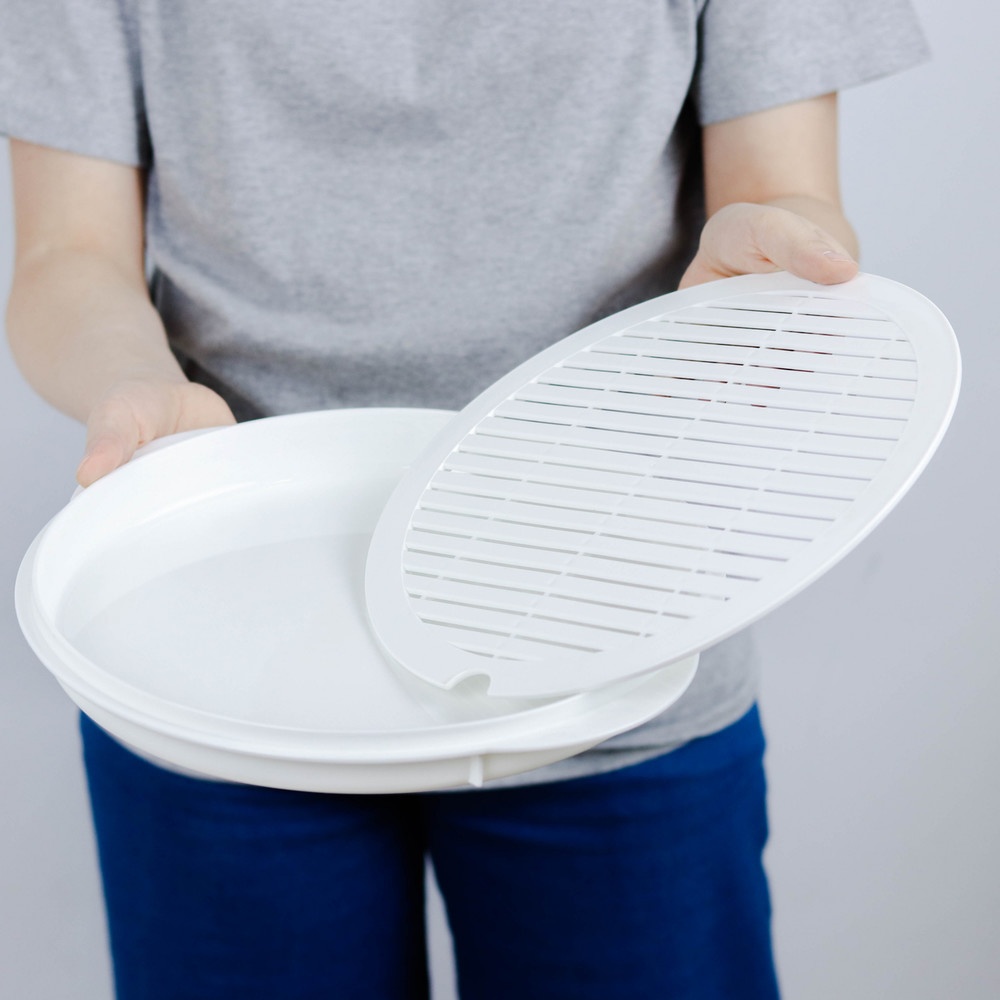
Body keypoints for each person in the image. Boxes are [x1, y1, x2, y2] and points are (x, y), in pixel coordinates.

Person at [1, 2, 928, 998]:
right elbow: (68, 255)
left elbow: (783, 192)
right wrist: (132, 385)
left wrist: (768, 277)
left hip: (616, 626)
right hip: (220, 651)